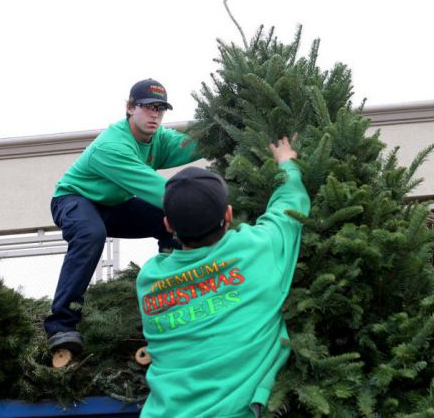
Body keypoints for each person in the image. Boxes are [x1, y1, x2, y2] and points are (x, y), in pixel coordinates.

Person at [136, 136, 310, 418]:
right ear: (228, 214)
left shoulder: (149, 280)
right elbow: (290, 206)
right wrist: (287, 163)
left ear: (168, 225)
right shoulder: (257, 250)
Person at [45, 78, 201, 358]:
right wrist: (206, 207)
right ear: (130, 107)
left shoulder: (158, 139)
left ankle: (172, 294)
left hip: (112, 205)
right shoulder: (113, 146)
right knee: (91, 233)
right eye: (148, 107)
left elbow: (196, 143)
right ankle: (61, 324)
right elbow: (155, 188)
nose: (155, 115)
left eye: (160, 109)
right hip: (73, 199)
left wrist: (229, 128)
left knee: (171, 219)